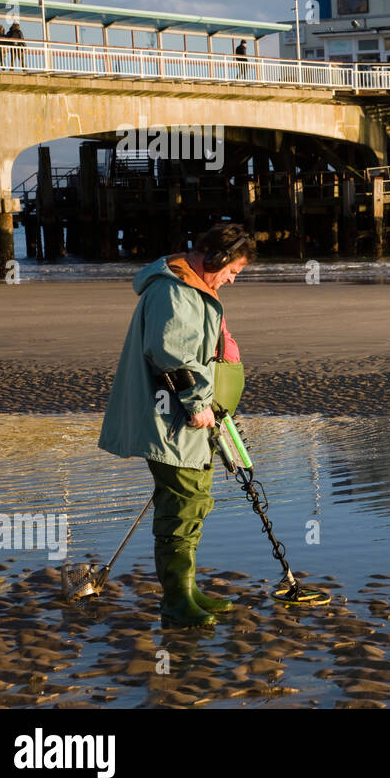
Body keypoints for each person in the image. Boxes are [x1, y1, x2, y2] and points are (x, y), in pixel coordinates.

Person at [98, 223, 256, 627]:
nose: (233, 279)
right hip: (172, 417)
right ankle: (176, 601)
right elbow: (170, 356)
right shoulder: (174, 291)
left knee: (190, 500)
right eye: (232, 271)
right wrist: (198, 403)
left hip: (182, 417)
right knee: (183, 503)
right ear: (215, 259)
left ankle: (186, 589)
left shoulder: (190, 287)